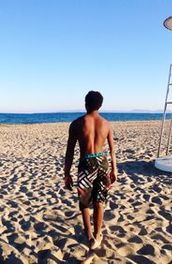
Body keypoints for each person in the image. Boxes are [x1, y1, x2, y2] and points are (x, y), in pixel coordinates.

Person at [62, 91, 118, 248]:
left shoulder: (77, 123)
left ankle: (90, 237)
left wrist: (66, 173)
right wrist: (115, 169)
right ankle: (98, 233)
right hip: (102, 162)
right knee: (100, 200)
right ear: (100, 105)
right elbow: (112, 150)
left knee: (84, 202)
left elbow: (70, 151)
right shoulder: (106, 124)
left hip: (86, 163)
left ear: (85, 103)